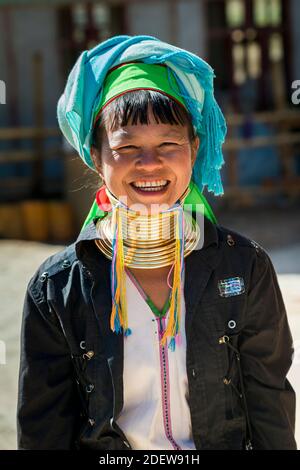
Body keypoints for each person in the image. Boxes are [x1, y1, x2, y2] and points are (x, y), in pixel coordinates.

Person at [17, 35, 297, 450]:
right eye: (126, 146)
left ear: (193, 148)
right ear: (96, 156)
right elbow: (44, 431)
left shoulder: (245, 268)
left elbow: (269, 405)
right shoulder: (56, 289)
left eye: (168, 143)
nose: (150, 163)